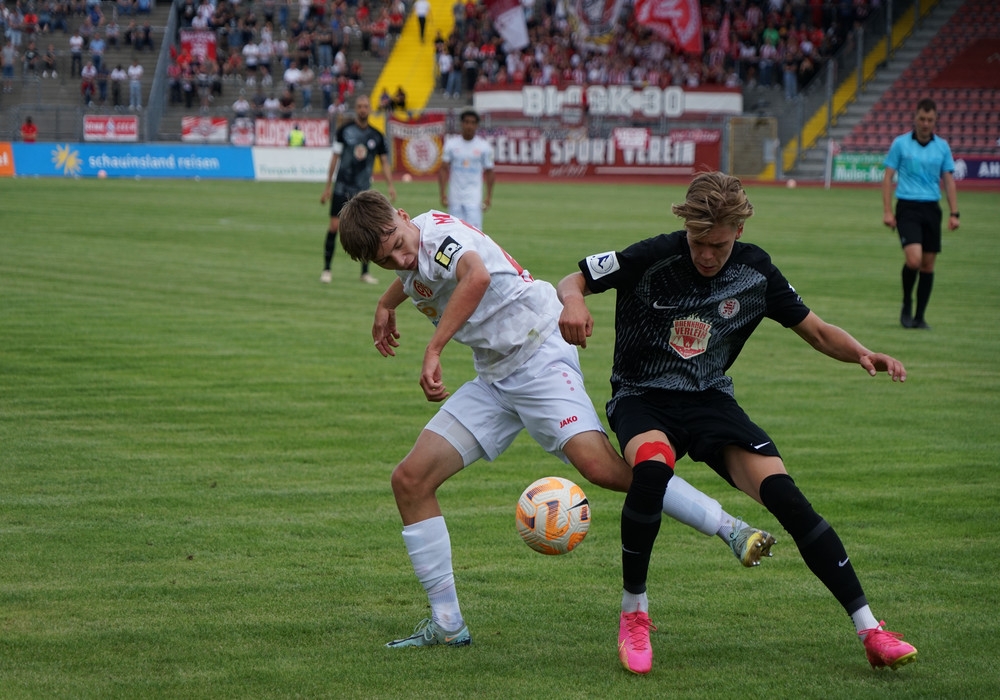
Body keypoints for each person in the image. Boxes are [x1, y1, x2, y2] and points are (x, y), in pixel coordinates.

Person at [336, 188, 776, 650]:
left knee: (604, 470)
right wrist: (387, 303)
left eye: (399, 244)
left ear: (404, 216)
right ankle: (447, 624)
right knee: (410, 480)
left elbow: (475, 277)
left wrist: (434, 347)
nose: (401, 259)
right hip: (496, 375)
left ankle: (733, 529)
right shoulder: (411, 246)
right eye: (386, 260)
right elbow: (416, 274)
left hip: (538, 353)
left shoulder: (440, 237)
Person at [557, 171, 918, 675]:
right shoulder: (653, 255)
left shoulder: (755, 272)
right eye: (699, 242)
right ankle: (634, 615)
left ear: (738, 234)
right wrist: (574, 300)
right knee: (653, 469)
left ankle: (872, 630)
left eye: (719, 245)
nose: (707, 254)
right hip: (643, 398)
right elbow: (573, 279)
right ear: (686, 230)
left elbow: (813, 329)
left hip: (710, 402)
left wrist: (861, 352)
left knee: (788, 499)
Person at [881, 98, 959, 330]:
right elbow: (887, 177)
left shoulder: (942, 147)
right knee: (913, 260)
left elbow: (948, 180)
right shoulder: (901, 144)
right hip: (907, 207)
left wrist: (955, 213)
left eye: (930, 120)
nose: (925, 123)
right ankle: (907, 303)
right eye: (922, 119)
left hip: (931, 208)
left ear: (935, 121)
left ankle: (920, 317)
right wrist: (887, 211)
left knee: (927, 265)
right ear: (915, 118)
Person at [319, 94, 396, 285]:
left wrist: (390, 185)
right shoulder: (344, 131)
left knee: (367, 230)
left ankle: (365, 272)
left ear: (370, 109)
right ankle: (327, 269)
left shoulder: (376, 136)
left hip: (363, 191)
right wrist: (328, 187)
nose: (363, 109)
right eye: (360, 106)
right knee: (334, 227)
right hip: (342, 186)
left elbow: (385, 162)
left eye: (365, 106)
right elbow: (335, 158)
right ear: (356, 108)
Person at [438, 107, 494, 231]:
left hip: (474, 198)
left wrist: (488, 196)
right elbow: (443, 169)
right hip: (455, 197)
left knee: (475, 233)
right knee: (455, 233)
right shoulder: (451, 144)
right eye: (467, 122)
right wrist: (442, 193)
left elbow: (489, 172)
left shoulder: (484, 146)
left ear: (477, 125)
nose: (469, 126)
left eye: (473, 123)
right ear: (462, 124)